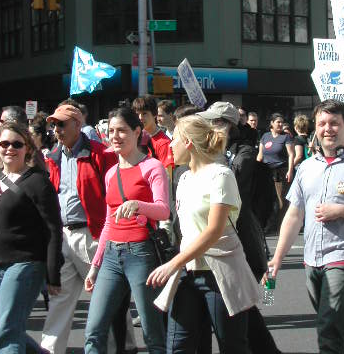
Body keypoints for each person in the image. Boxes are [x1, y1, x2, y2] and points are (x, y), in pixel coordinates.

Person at [267, 100, 344, 354]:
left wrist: (341, 210)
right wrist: (277, 258)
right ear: (315, 128)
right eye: (322, 124)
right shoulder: (306, 167)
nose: (328, 129)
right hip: (312, 260)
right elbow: (294, 215)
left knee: (328, 329)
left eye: (334, 123)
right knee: (337, 326)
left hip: (343, 258)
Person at [147, 114, 259, 354]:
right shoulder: (184, 177)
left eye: (174, 139)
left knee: (232, 347)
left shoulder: (221, 175)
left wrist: (172, 264)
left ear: (188, 142)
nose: (170, 145)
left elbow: (214, 231)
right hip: (187, 273)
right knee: (178, 347)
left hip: (219, 275)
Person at [84, 107, 170, 353]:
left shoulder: (152, 167)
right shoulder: (111, 173)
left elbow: (163, 210)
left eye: (122, 130)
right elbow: (109, 222)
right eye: (111, 131)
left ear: (137, 132)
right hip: (111, 255)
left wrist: (137, 205)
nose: (115, 136)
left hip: (141, 253)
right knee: (93, 331)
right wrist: (95, 266)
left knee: (152, 332)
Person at [199, 102, 281, 354]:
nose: (208, 128)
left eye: (213, 122)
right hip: (222, 235)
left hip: (242, 235)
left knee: (240, 302)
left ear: (226, 125)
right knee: (239, 304)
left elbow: (232, 185)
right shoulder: (213, 150)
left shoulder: (243, 151)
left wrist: (216, 151)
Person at [40, 103, 118, 354]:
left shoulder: (100, 153)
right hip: (63, 235)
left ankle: (122, 346)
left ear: (77, 124)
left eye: (61, 124)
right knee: (59, 299)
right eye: (54, 125)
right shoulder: (53, 156)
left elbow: (113, 195)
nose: (57, 129)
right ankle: (50, 350)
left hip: (91, 235)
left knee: (104, 298)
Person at [0, 122, 63, 353]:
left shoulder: (37, 182)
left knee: (8, 332)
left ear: (28, 149)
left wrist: (52, 273)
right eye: (4, 143)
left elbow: (53, 228)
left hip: (26, 263)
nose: (9, 149)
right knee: (1, 329)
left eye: (16, 144)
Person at [257, 113, 295, 232]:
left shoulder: (285, 137)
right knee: (267, 198)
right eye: (278, 122)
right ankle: (267, 223)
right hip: (266, 170)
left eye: (281, 122)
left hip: (281, 170)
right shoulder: (265, 136)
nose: (280, 124)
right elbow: (260, 155)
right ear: (272, 123)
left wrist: (290, 170)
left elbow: (291, 154)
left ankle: (279, 225)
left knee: (280, 200)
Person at [133, 95, 174, 178]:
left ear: (154, 114)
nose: (140, 117)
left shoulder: (164, 143)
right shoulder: (135, 139)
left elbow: (167, 177)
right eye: (137, 114)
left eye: (144, 113)